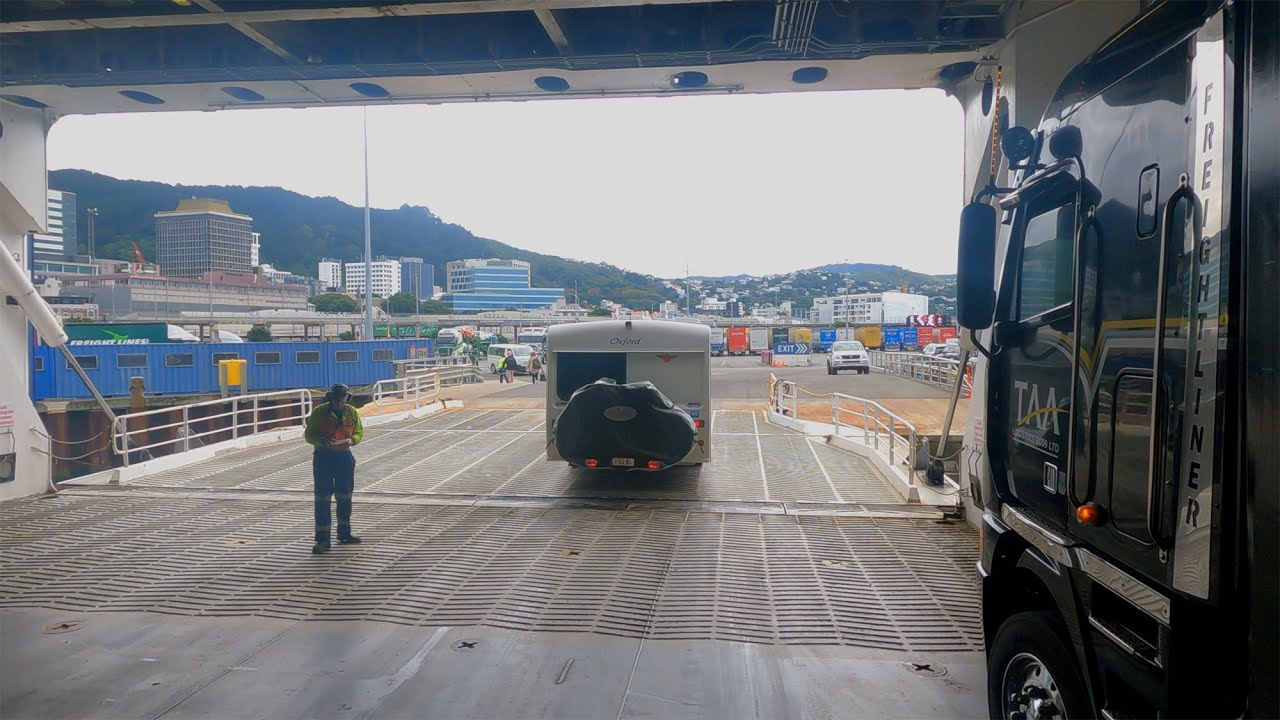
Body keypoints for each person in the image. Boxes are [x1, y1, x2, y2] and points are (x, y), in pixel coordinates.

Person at [304, 383, 364, 554]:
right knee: (322, 499)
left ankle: (344, 534)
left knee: (345, 496)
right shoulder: (319, 413)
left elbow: (359, 432)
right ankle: (323, 540)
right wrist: (323, 442)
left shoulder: (351, 412)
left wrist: (352, 441)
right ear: (330, 399)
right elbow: (309, 435)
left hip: (344, 457)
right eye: (336, 401)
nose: (339, 404)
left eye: (342, 401)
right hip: (323, 457)